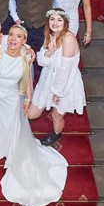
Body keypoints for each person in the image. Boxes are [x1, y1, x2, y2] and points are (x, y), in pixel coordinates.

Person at [0, 25, 68, 206]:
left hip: (12, 98)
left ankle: (9, 148)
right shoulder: (0, 51)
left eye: (18, 36)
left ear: (23, 40)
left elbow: (26, 78)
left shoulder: (26, 56)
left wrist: (28, 98)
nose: (13, 39)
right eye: (11, 35)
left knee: (11, 125)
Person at [29, 10, 87, 146]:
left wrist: (58, 93)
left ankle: (56, 134)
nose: (55, 23)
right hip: (48, 79)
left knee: (56, 115)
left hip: (65, 83)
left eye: (59, 20)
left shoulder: (69, 39)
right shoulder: (50, 35)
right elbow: (41, 61)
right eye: (52, 19)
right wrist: (50, 51)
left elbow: (65, 70)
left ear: (65, 23)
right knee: (32, 113)